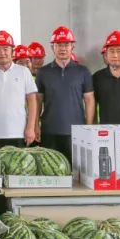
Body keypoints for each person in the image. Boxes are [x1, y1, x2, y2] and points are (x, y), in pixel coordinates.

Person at [36, 26, 94, 161]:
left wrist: (89, 127)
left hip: (76, 132)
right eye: (59, 45)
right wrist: (35, 125)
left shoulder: (83, 71)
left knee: (75, 174)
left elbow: (89, 100)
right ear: (52, 47)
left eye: (66, 44)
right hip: (49, 130)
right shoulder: (43, 72)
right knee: (51, 170)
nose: (63, 48)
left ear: (72, 47)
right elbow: (38, 101)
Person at [0, 31, 37, 152]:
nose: (2, 53)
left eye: (6, 49)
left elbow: (32, 101)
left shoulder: (24, 72)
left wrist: (31, 127)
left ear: (12, 50)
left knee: (18, 169)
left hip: (19, 133)